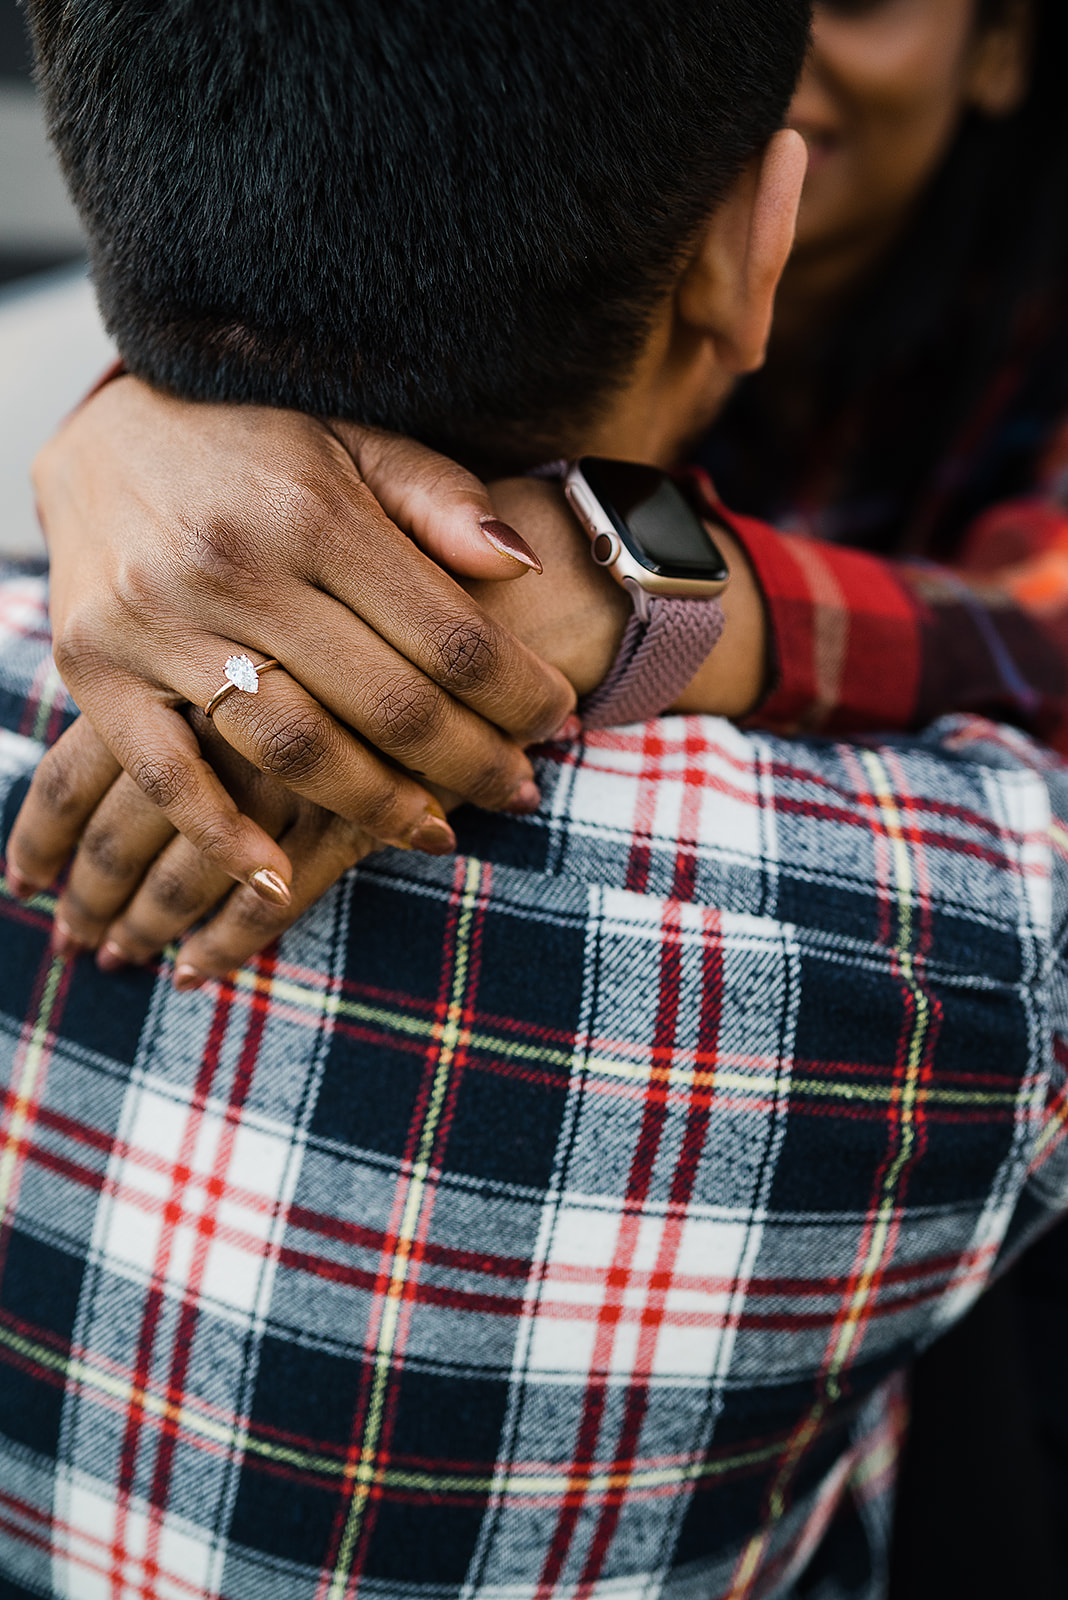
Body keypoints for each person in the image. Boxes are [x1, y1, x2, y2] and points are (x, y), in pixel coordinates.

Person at [1, 4, 1067, 1600]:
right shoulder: (977, 920)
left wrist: (639, 573)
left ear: (1005, 47)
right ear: (749, 245)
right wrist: (129, 446)